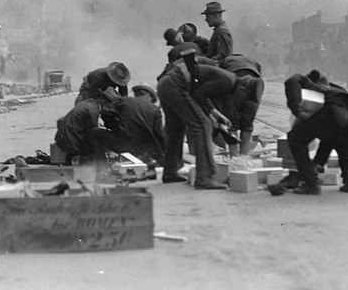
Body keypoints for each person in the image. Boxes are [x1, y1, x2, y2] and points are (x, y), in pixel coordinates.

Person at [157, 48, 231, 189]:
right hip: (175, 85)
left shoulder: (199, 64)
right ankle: (204, 176)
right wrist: (212, 115)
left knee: (177, 129)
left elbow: (197, 92)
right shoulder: (210, 67)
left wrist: (213, 113)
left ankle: (170, 172)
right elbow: (199, 94)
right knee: (202, 125)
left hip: (165, 85)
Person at [55, 87, 122, 165]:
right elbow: (92, 136)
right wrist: (101, 160)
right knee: (95, 140)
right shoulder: (93, 111)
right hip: (70, 142)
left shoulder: (90, 103)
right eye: (111, 105)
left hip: (66, 138)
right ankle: (102, 167)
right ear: (104, 101)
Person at [92, 96, 166, 165]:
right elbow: (159, 135)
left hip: (124, 145)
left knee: (95, 132)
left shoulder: (125, 101)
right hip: (144, 150)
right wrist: (163, 155)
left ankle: (101, 167)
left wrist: (113, 126)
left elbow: (105, 111)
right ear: (149, 96)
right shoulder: (154, 109)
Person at [219, 54, 265, 155]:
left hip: (233, 80)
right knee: (247, 123)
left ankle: (234, 156)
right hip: (255, 82)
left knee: (231, 122)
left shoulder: (225, 61)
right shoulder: (253, 61)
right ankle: (244, 157)